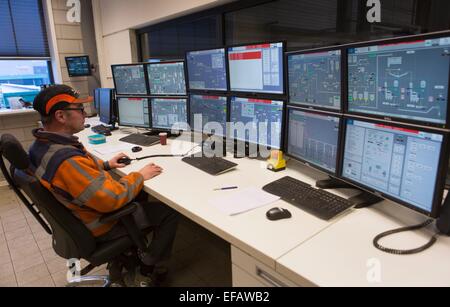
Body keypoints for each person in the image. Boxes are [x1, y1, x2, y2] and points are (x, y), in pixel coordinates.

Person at [28, 84, 178, 285]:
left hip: (79, 213)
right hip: (100, 222)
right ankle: (149, 264)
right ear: (61, 116)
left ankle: (133, 251)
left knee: (139, 194)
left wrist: (106, 164)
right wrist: (139, 175)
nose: (85, 114)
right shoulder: (67, 161)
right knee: (169, 213)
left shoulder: (43, 144)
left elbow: (78, 169)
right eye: (79, 109)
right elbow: (111, 199)